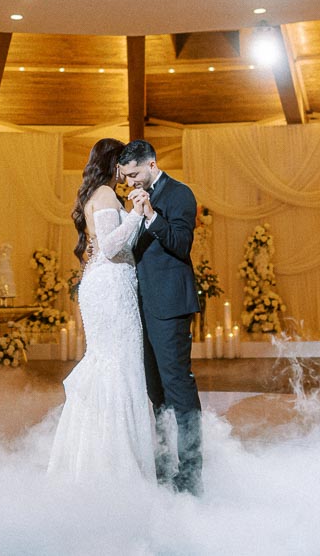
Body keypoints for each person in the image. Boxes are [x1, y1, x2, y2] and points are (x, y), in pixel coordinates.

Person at [49, 139, 155, 483]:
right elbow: (110, 247)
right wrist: (137, 213)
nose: (126, 169)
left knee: (108, 363)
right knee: (120, 366)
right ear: (114, 163)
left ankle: (91, 460)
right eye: (123, 162)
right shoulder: (107, 195)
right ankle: (118, 468)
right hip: (111, 287)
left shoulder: (96, 194)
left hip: (101, 285)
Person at [119, 139, 201, 494]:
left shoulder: (179, 194)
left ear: (152, 164)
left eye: (134, 174)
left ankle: (192, 472)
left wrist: (150, 214)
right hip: (142, 306)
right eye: (125, 178)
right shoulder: (135, 200)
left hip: (170, 306)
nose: (130, 183)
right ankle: (167, 464)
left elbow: (181, 245)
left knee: (177, 386)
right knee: (156, 391)